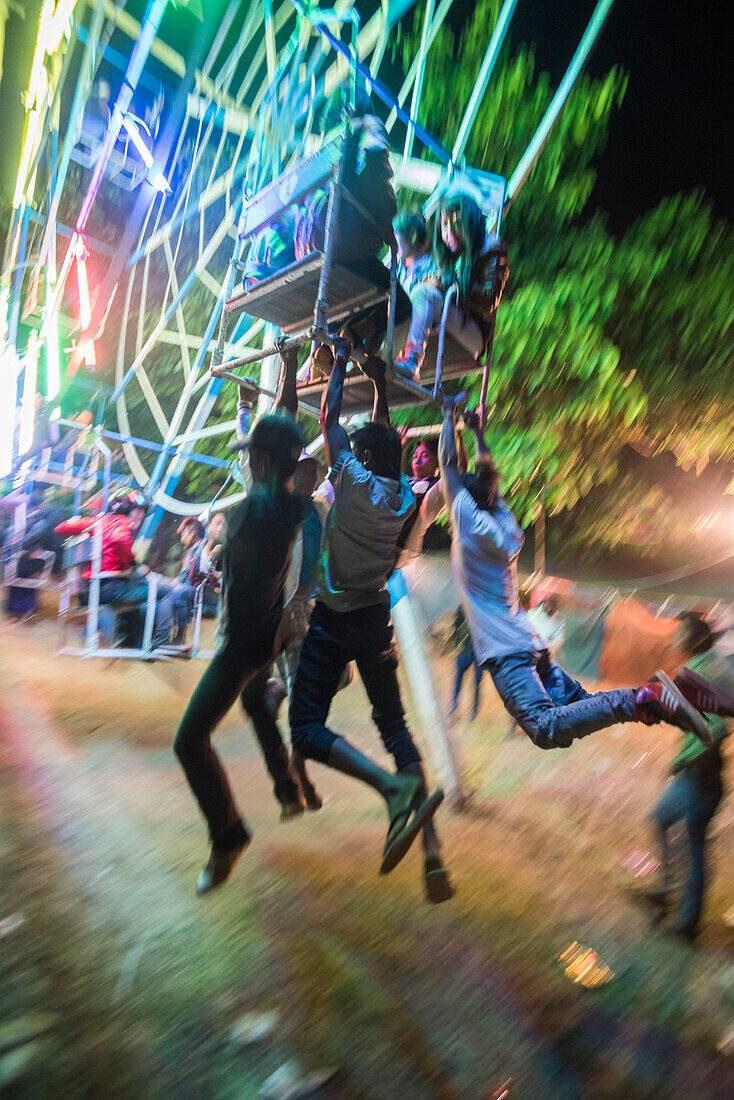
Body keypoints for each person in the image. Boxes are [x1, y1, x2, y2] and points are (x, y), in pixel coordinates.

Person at [437, 399, 713, 752]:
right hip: (531, 646)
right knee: (577, 707)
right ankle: (670, 697)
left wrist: (447, 416)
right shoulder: (503, 524)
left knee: (544, 727)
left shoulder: (471, 527)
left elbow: (449, 467)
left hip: (509, 654)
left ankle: (648, 698)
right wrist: (475, 432)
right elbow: (481, 474)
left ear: (464, 504)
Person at [288, 344, 450, 898]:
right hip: (375, 622)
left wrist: (334, 366)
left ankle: (391, 792)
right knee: (395, 727)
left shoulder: (351, 483)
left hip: (334, 622)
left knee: (305, 727)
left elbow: (330, 421)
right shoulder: (406, 495)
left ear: (359, 456)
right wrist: (377, 379)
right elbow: (380, 438)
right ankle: (432, 850)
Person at [174, 402, 315, 895]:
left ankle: (228, 835)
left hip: (242, 644)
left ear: (261, 461)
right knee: (256, 704)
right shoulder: (295, 508)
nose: (248, 462)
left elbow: (220, 563)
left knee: (189, 742)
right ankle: (287, 789)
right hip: (266, 637)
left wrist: (212, 553)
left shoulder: (243, 515)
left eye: (252, 455)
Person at [643, 613, 733, 940]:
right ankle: (666, 889)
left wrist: (683, 758)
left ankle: (688, 924)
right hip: (695, 774)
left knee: (694, 844)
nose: (673, 639)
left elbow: (717, 728)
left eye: (679, 633)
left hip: (703, 777)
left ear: (694, 639)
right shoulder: (709, 663)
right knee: (661, 818)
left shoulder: (701, 671)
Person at [397, 184, 509, 381]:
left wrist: (453, 285)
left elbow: (490, 300)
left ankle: (412, 361)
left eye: (453, 223)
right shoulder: (454, 260)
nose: (448, 232)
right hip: (456, 321)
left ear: (468, 222)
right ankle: (392, 356)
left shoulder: (491, 249)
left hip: (474, 335)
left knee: (423, 293)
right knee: (413, 296)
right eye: (444, 225)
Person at [55, 489, 176, 649]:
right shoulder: (121, 524)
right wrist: (134, 564)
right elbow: (120, 541)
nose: (141, 516)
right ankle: (161, 643)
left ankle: (135, 643)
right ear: (125, 509)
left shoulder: (99, 521)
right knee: (165, 591)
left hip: (88, 591)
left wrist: (75, 523)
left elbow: (61, 529)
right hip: (110, 590)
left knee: (138, 589)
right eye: (137, 510)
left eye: (143, 512)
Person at [451, 607, 484, 721]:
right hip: (466, 650)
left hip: (477, 652)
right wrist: (456, 645)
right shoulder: (462, 608)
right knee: (459, 681)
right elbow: (456, 628)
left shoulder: (480, 607)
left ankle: (473, 712)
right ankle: (455, 709)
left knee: (475, 683)